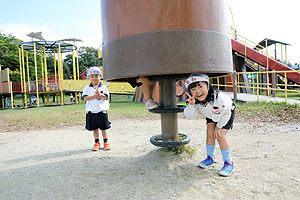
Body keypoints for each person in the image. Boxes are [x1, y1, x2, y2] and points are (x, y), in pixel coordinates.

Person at [184, 74, 235, 177]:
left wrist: (219, 127)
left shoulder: (219, 98)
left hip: (226, 113)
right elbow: (189, 116)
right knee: (209, 133)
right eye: (193, 89)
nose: (197, 91)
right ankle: (210, 158)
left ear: (208, 86)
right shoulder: (197, 102)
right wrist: (191, 105)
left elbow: (226, 113)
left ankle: (229, 163)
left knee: (220, 135)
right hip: (212, 114)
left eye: (200, 86)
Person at [82, 67, 111, 151]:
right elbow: (85, 98)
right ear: (89, 77)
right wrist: (94, 96)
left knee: (103, 128)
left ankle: (106, 142)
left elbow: (106, 97)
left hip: (101, 111)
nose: (94, 78)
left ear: (100, 76)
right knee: (94, 128)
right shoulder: (87, 88)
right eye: (92, 76)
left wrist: (100, 95)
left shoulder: (103, 86)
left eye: (96, 76)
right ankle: (96, 143)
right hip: (91, 111)